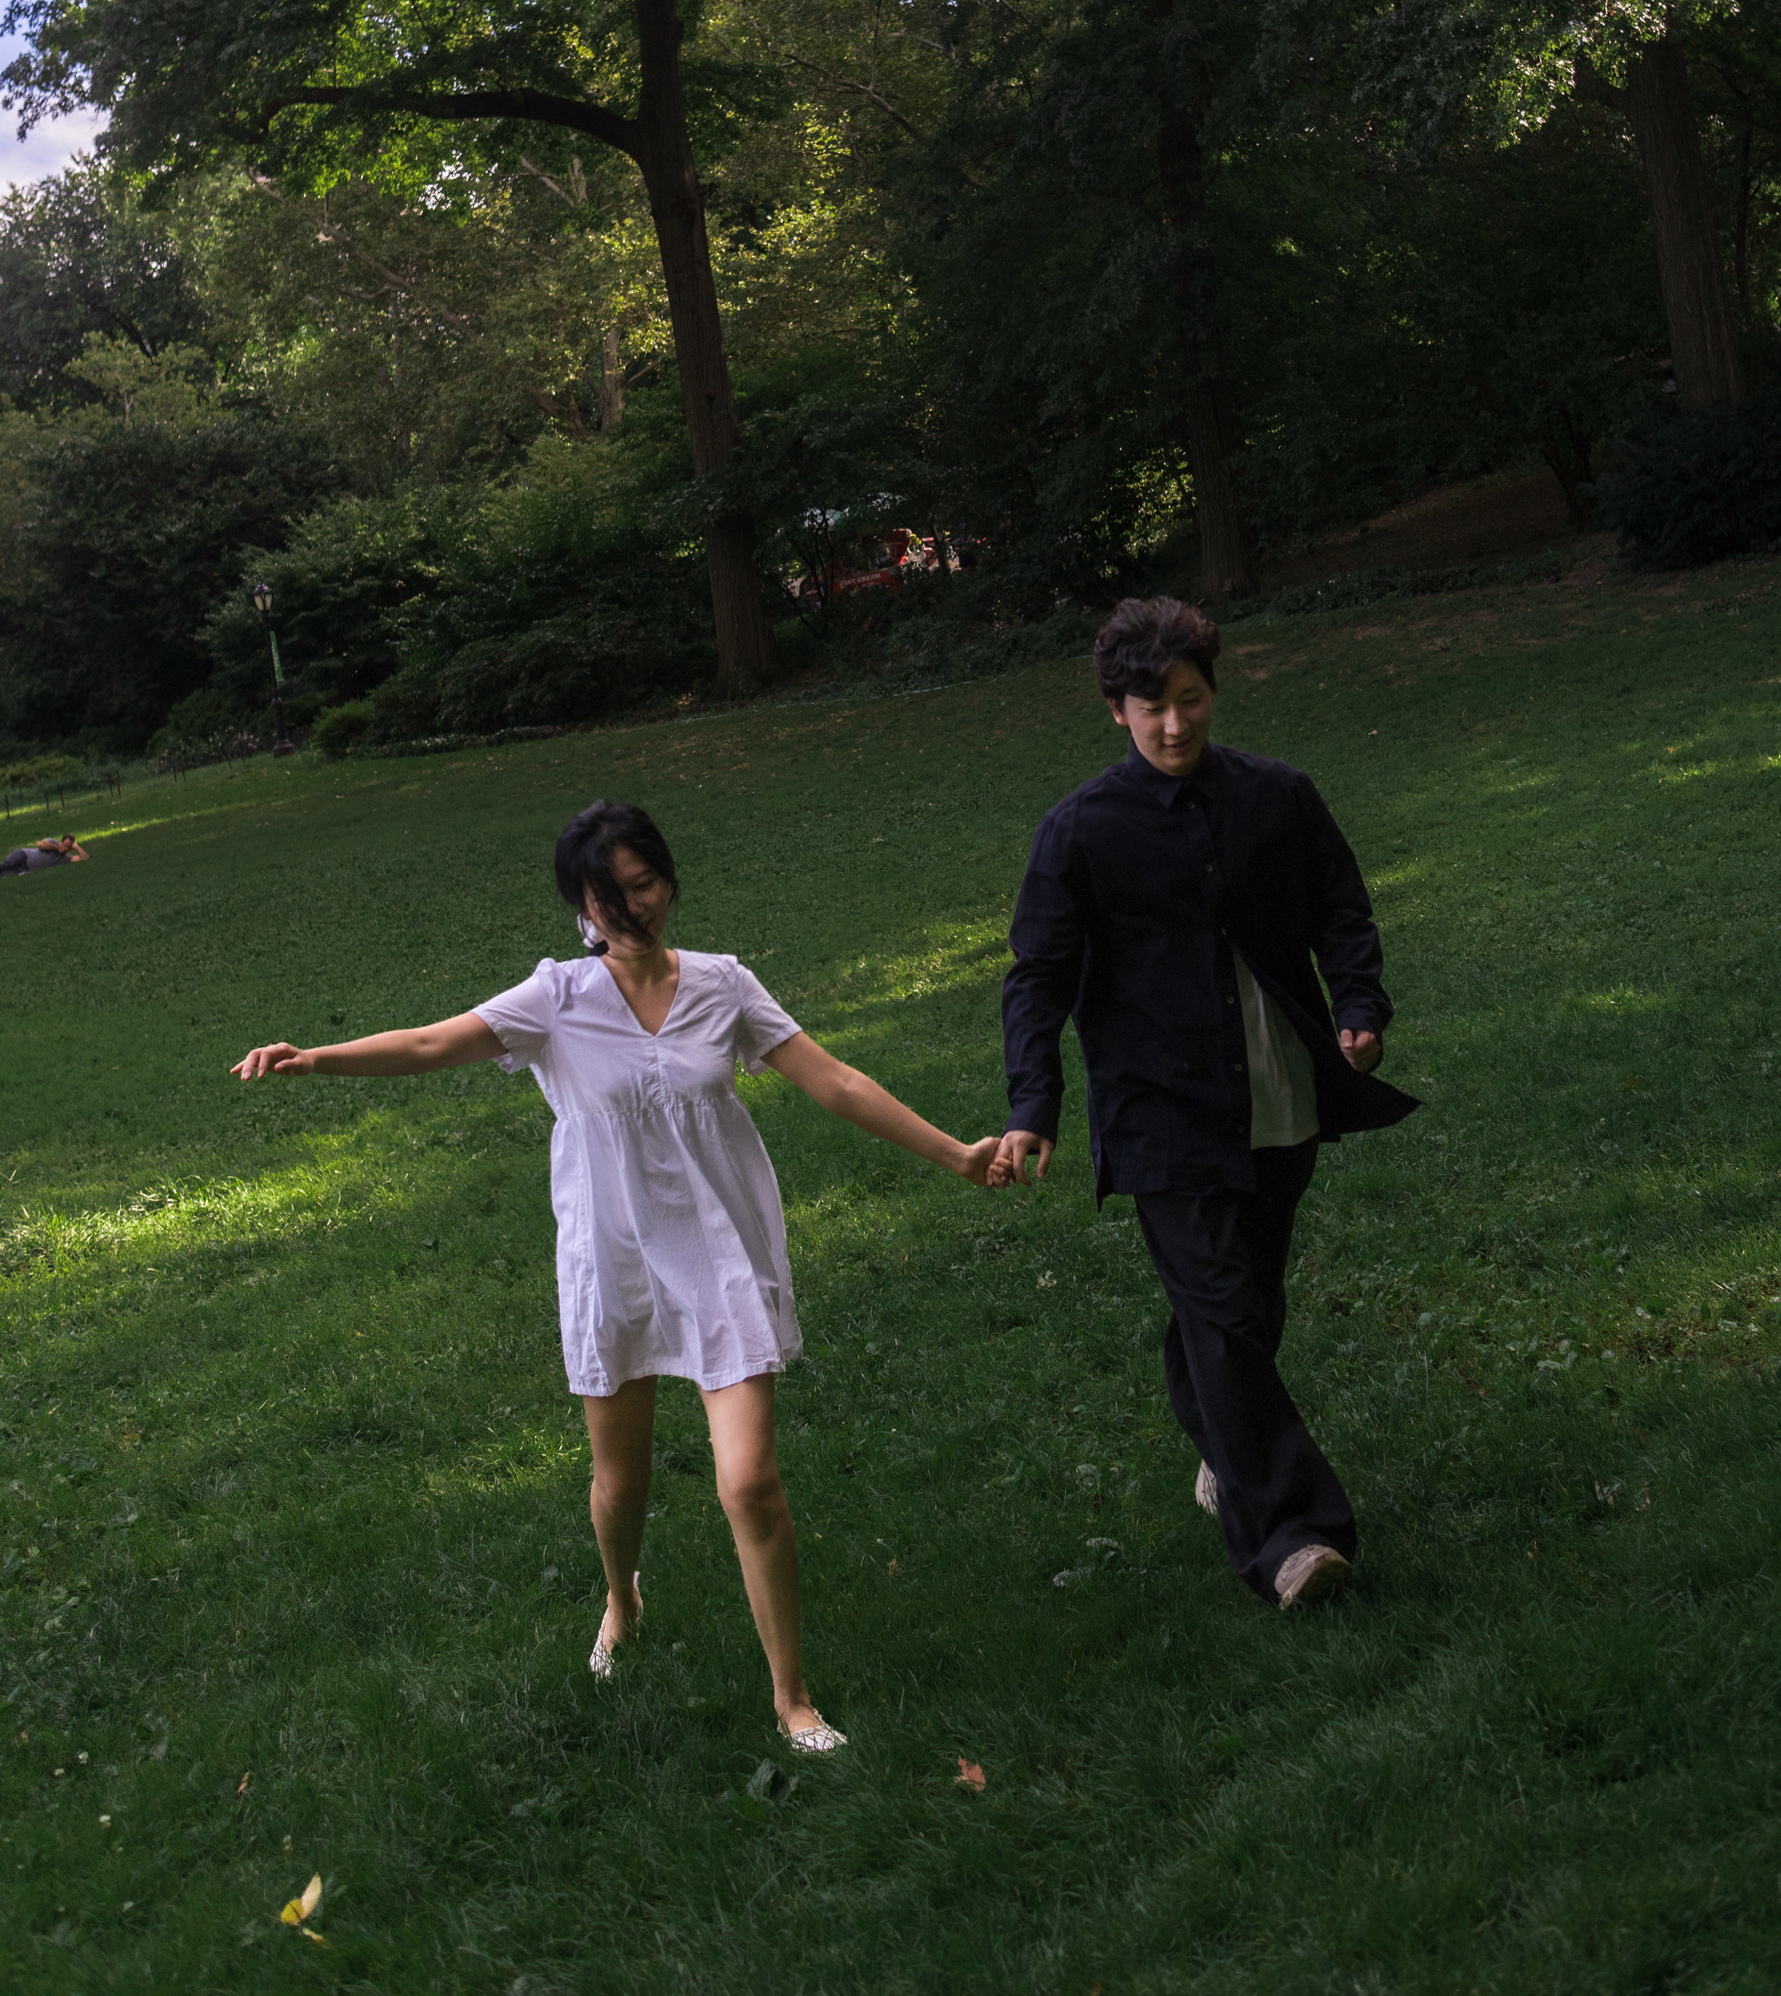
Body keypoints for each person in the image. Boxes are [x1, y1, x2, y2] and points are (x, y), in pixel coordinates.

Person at [234, 798, 1002, 1750]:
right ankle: (622, 1597)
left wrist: (956, 1156)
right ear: (582, 909)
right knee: (620, 1483)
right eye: (609, 897)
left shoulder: (724, 985)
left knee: (751, 1484)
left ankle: (791, 1698)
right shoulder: (555, 999)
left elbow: (835, 1080)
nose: (632, 910)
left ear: (667, 880)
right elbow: (434, 1043)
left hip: (720, 1255)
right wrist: (315, 1060)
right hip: (615, 1262)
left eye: (644, 885)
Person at [993, 596, 1418, 1611]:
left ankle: (1227, 1448)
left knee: (1242, 1311)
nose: (1173, 724)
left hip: (1279, 1095)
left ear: (1212, 692)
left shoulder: (1278, 796)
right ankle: (1292, 1538)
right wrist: (1033, 1103)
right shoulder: (1080, 830)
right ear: (1116, 710)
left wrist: (1358, 1005)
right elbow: (1036, 977)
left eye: (1189, 700)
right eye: (1151, 707)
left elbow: (1340, 909)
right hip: (1160, 1113)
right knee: (1222, 1315)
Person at [0, 833, 88, 874]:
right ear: (61, 842)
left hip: (26, 867)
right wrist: (57, 847)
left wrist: (77, 847)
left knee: (6, 873)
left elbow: (85, 858)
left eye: (68, 847)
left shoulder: (65, 858)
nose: (65, 849)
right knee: (8, 865)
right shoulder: (53, 842)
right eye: (64, 845)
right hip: (23, 855)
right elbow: (41, 845)